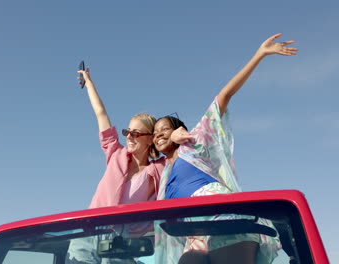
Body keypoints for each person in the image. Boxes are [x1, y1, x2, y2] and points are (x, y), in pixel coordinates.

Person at [153, 33, 298, 264]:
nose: (158, 134)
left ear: (178, 130)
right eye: (155, 132)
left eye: (164, 129)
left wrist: (259, 54)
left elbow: (224, 96)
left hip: (224, 215)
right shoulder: (161, 173)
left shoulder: (193, 143)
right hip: (195, 232)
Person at [66, 66, 166, 264]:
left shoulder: (159, 169)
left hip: (123, 243)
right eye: (127, 131)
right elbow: (101, 114)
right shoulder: (115, 153)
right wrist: (89, 83)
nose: (129, 136)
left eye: (136, 133)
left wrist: (173, 134)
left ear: (150, 139)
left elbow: (182, 150)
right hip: (90, 231)